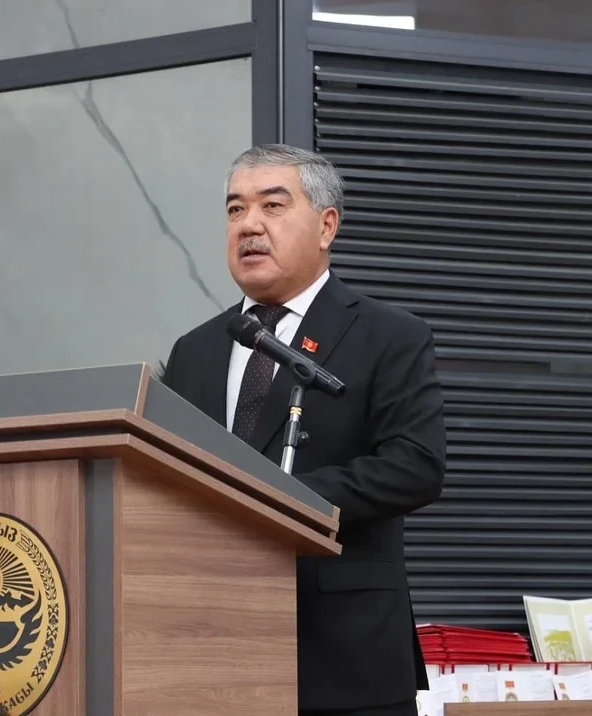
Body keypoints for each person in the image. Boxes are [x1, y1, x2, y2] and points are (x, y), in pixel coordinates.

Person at [162, 144, 447, 716]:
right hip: (211, 652)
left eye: (272, 205)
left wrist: (281, 499)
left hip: (345, 656)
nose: (249, 226)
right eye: (235, 209)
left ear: (326, 225)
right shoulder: (194, 350)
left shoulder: (389, 335)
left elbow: (415, 465)